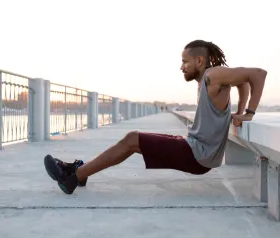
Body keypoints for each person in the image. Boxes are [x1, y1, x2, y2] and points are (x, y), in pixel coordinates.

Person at [44, 40, 268, 194]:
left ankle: (73, 178)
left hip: (198, 155)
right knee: (134, 143)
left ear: (199, 61)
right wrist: (238, 111)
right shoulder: (213, 78)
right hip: (195, 148)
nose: (181, 67)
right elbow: (242, 81)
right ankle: (80, 172)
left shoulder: (212, 75)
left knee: (133, 139)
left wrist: (247, 113)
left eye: (185, 61)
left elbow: (256, 75)